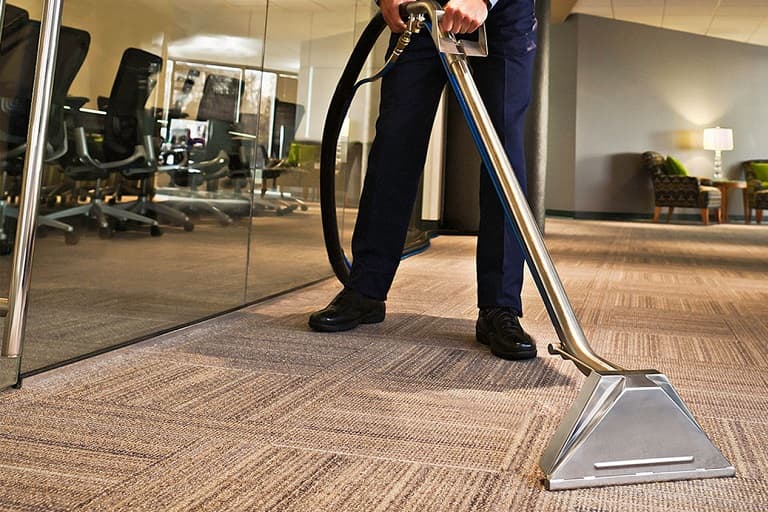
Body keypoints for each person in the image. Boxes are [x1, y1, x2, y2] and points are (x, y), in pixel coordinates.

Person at [309, 0, 538, 361]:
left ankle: (500, 306)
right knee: (396, 140)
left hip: (503, 15)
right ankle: (366, 289)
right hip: (421, 8)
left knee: (502, 148)